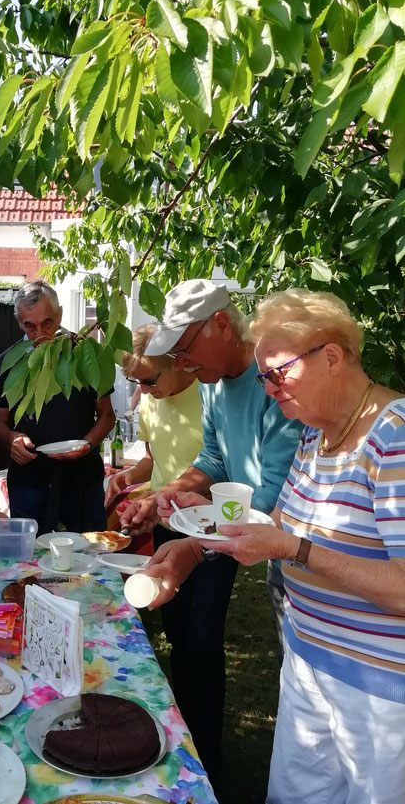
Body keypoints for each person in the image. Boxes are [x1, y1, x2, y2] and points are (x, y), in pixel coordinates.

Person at [147, 288, 405, 804]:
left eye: (278, 374)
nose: (268, 391)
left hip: (379, 694)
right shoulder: (316, 435)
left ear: (331, 357)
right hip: (307, 663)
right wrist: (195, 549)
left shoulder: (394, 437)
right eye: (263, 377)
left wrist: (298, 551)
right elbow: (278, 519)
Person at [120, 279, 301, 790]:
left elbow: (275, 493)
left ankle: (208, 770)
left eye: (185, 347)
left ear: (222, 323)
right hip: (255, 542)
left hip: (290, 543)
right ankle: (195, 754)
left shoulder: (275, 382)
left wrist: (196, 543)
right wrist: (164, 497)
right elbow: (215, 460)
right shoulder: (213, 381)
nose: (182, 362)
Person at [0, 280, 115, 534]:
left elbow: (106, 416)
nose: (40, 333)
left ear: (59, 314)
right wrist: (12, 439)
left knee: (88, 555)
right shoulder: (8, 362)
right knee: (31, 561)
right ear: (19, 322)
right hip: (30, 481)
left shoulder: (85, 354)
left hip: (82, 479)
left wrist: (87, 444)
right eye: (30, 326)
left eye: (47, 322)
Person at [105, 323, 203, 505]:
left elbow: (218, 468)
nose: (143, 390)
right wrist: (129, 475)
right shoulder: (150, 399)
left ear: (176, 364)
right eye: (138, 381)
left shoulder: (209, 394)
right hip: (160, 513)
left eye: (149, 381)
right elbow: (152, 460)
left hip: (199, 516)